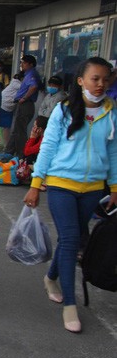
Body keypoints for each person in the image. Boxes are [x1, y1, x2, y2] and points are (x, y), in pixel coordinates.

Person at [23, 57, 117, 333]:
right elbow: (48, 148)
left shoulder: (111, 113)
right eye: (94, 79)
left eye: (105, 79)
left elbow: (113, 152)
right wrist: (35, 184)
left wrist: (114, 187)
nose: (100, 84)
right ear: (80, 81)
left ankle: (51, 277)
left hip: (92, 190)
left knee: (68, 239)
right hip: (61, 185)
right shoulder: (63, 112)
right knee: (72, 239)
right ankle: (70, 305)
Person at [4, 54, 42, 158]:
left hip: (26, 104)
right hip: (22, 104)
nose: (22, 65)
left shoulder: (32, 74)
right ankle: (9, 151)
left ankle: (23, 155)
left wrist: (24, 98)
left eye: (24, 63)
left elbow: (33, 87)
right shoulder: (27, 74)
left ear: (30, 64)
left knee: (20, 131)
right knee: (16, 129)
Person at [0, 72, 22, 144]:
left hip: (6, 106)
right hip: (5, 106)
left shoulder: (13, 82)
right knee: (6, 127)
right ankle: (4, 144)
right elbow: (25, 87)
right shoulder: (17, 84)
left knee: (5, 127)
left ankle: (3, 144)